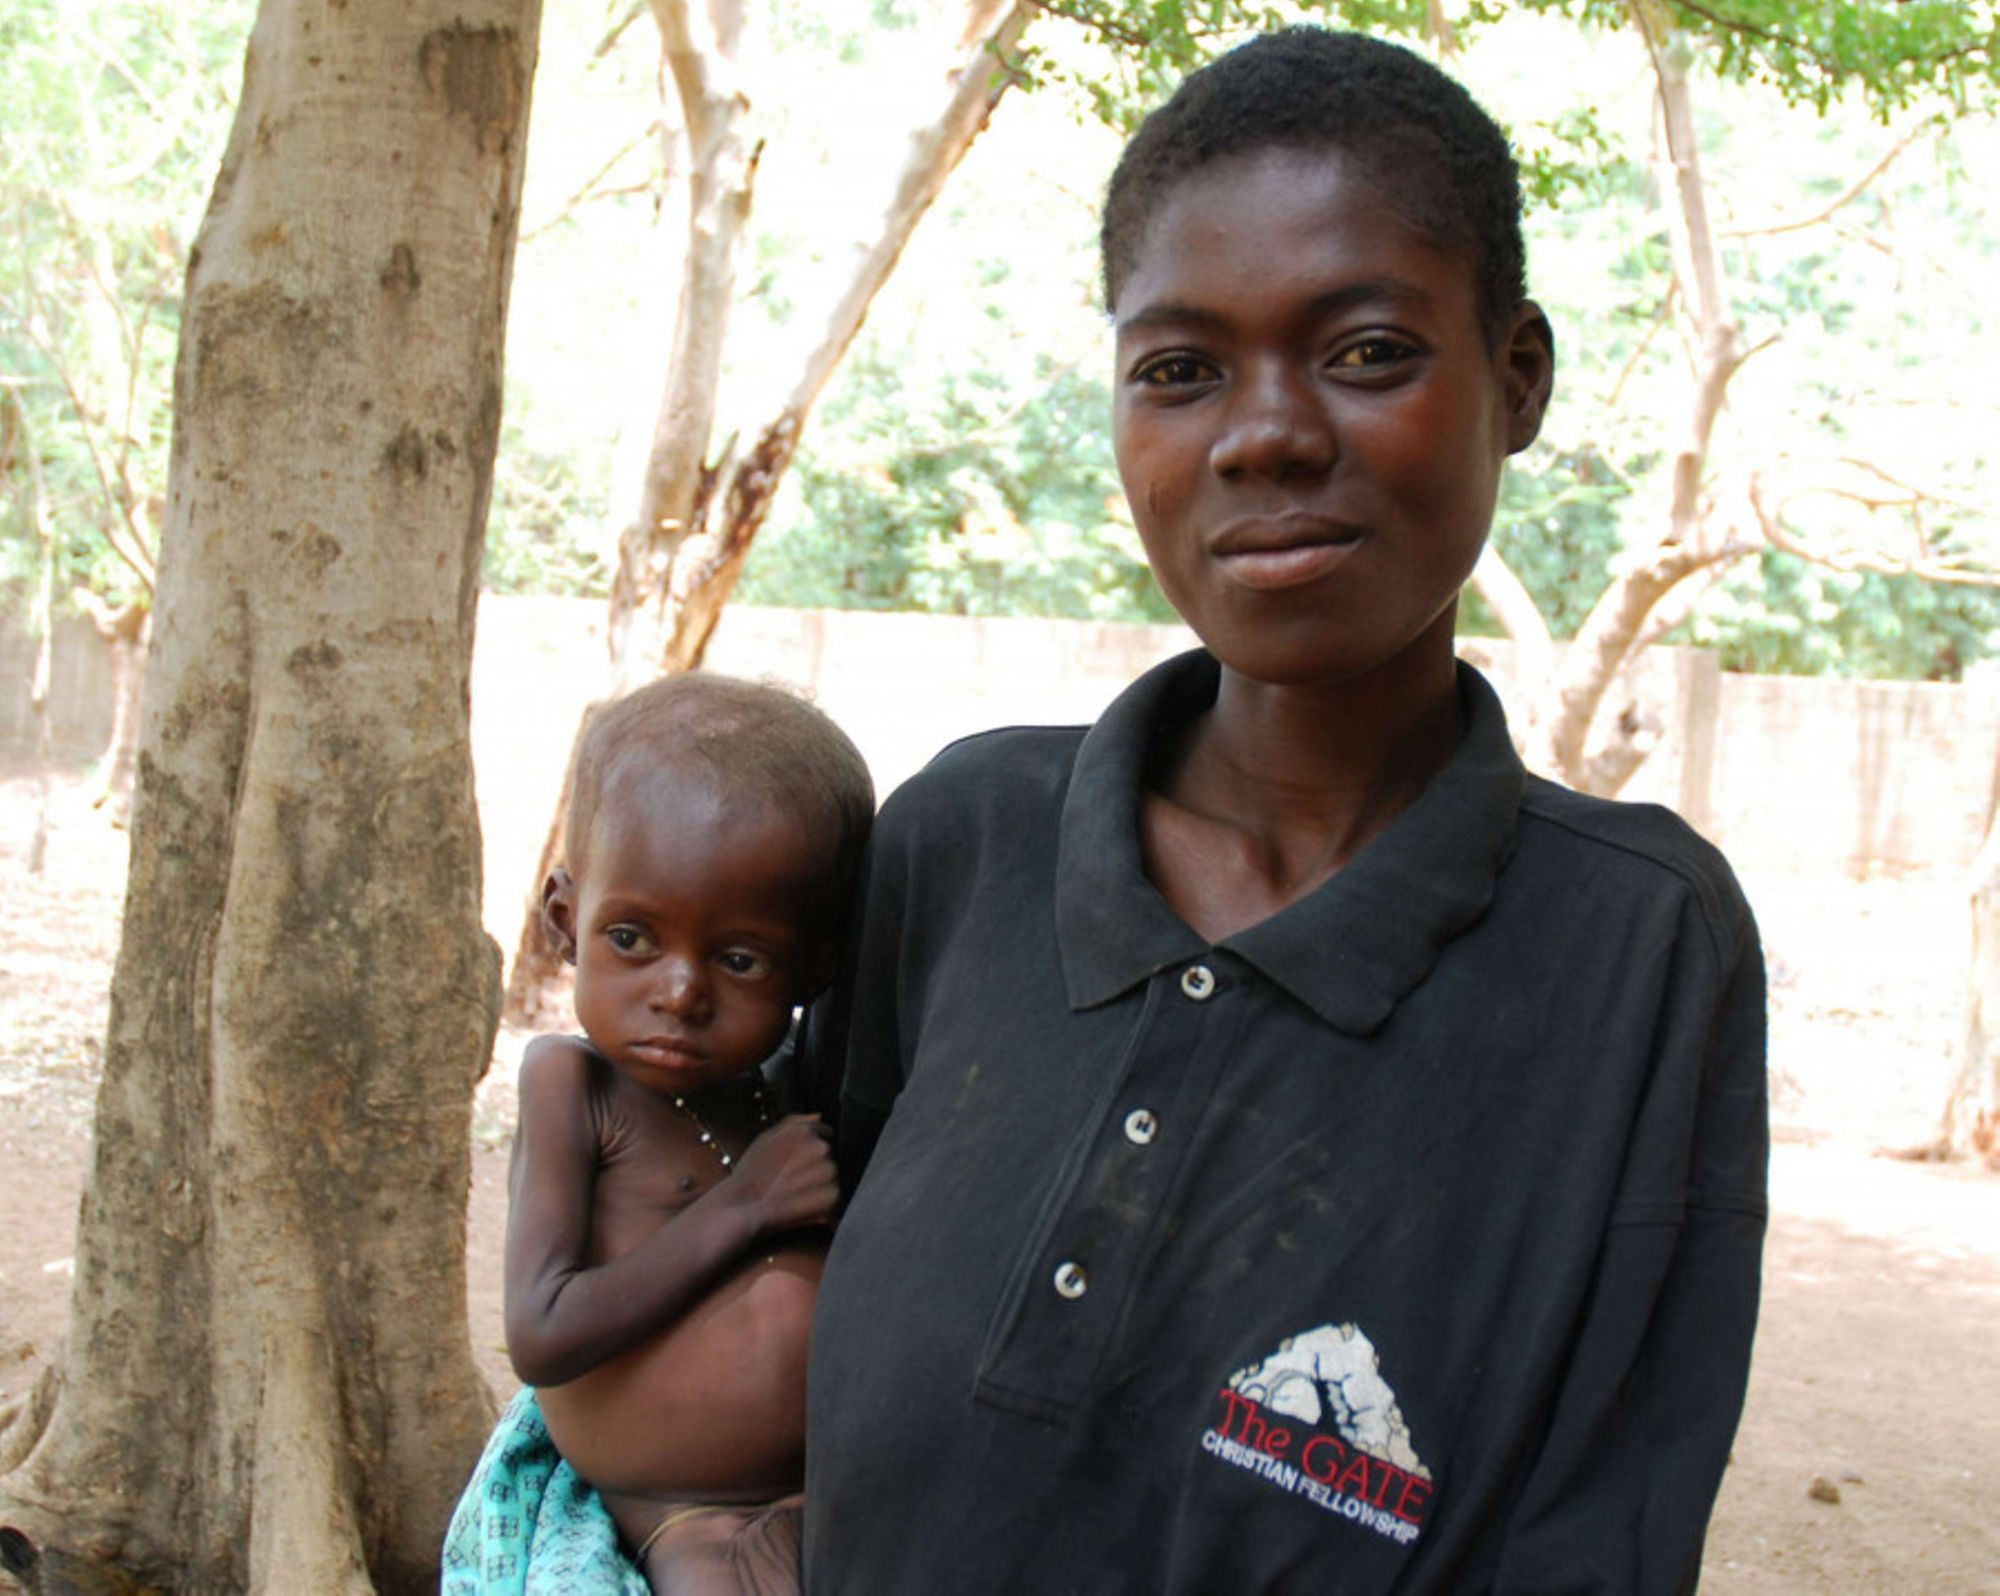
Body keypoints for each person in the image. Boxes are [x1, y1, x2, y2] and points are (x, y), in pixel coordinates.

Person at [802, 28, 1766, 1594]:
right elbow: (760, 1287)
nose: (1264, 435)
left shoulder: (1636, 945)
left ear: (1517, 377)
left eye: (1367, 351)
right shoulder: (966, 839)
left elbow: (1606, 1523)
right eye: (1179, 371)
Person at [493, 674, 871, 1594]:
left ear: (813, 968)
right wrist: (745, 1207)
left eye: (740, 960)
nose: (680, 992)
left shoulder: (792, 1083)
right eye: (631, 938)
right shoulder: (575, 1087)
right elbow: (542, 1331)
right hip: (687, 1515)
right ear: (564, 922)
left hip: (834, 1485)